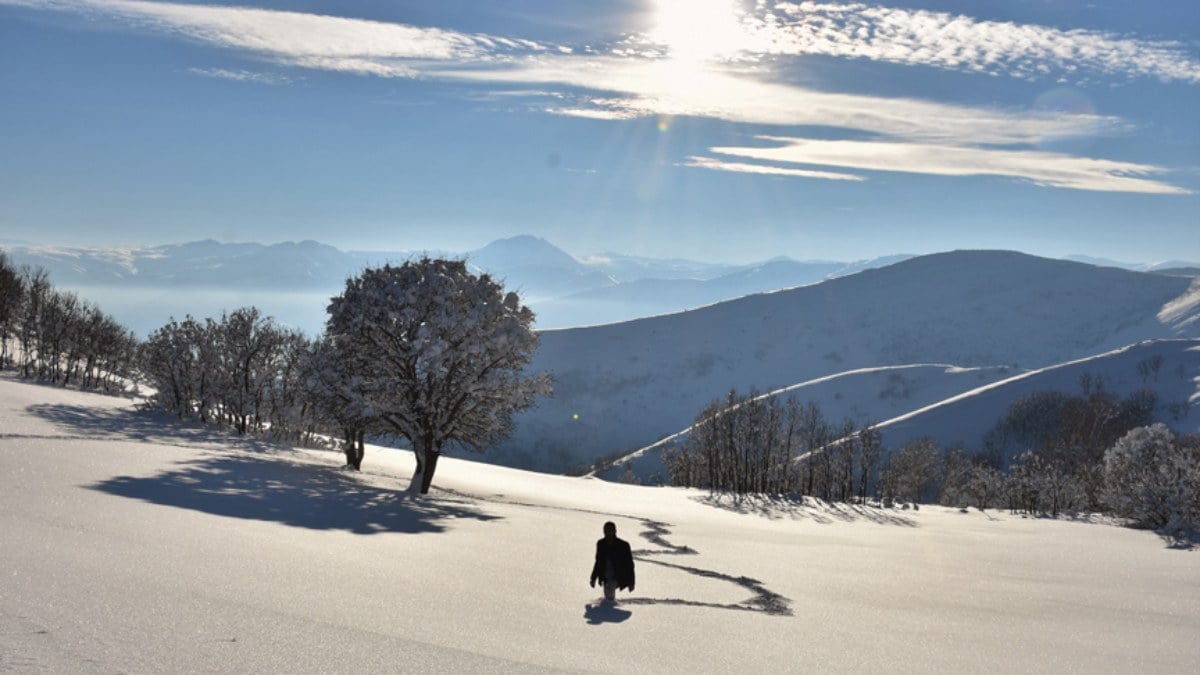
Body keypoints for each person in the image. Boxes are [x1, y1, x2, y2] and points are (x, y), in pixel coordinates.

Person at [590, 521, 635, 602]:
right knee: (607, 594)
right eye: (606, 531)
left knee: (609, 598)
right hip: (605, 577)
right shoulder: (601, 544)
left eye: (610, 530)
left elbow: (629, 565)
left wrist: (631, 582)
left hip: (618, 576)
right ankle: (608, 608)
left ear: (615, 531)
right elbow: (598, 562)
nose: (608, 533)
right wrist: (593, 578)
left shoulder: (623, 545)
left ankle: (609, 609)